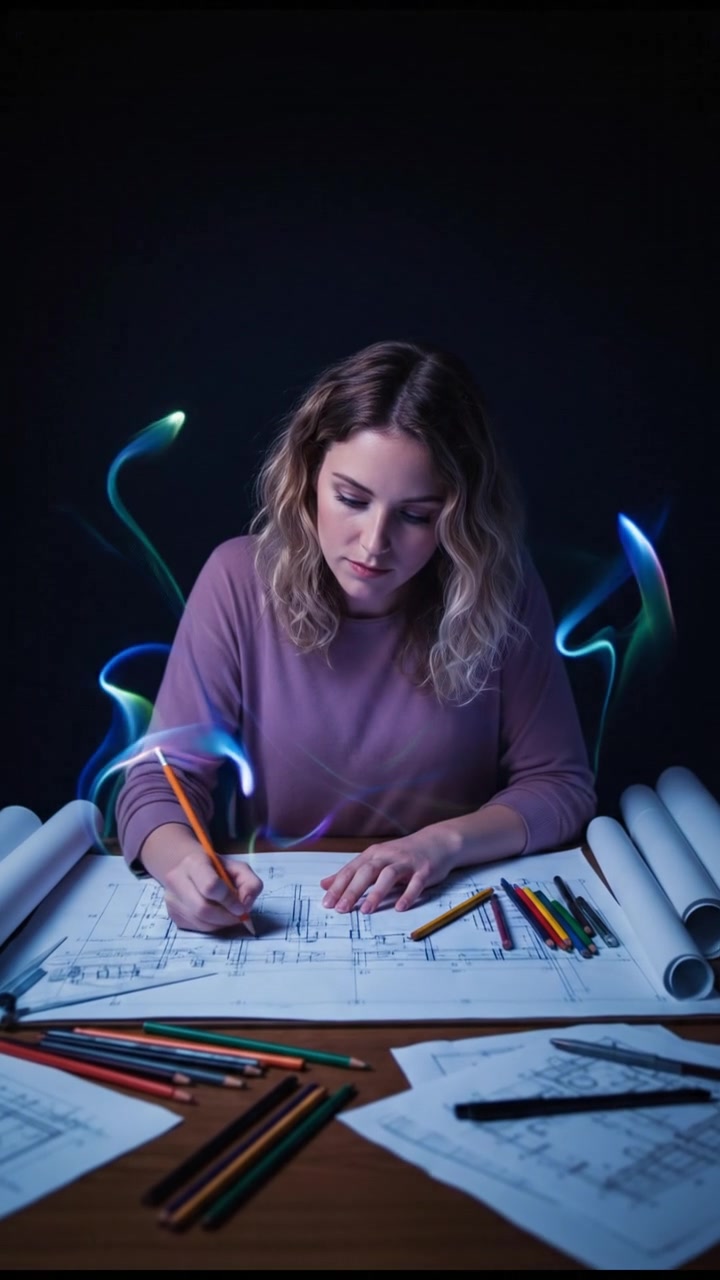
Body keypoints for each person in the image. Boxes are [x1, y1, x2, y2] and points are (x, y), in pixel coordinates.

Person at [115, 339, 597, 933]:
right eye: (351, 499)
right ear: (308, 476)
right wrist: (184, 866)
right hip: (282, 916)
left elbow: (561, 784)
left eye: (417, 515)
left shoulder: (501, 586)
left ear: (460, 514)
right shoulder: (238, 579)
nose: (374, 543)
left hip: (442, 907)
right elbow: (157, 784)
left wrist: (440, 845)